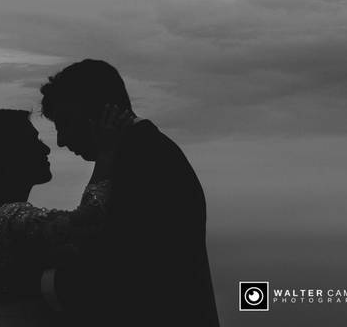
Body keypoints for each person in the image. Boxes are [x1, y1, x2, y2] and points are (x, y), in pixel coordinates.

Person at [37, 59, 220, 326]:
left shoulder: (143, 160)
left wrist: (42, 281)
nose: (61, 140)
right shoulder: (141, 152)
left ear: (96, 114)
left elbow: (121, 271)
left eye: (65, 123)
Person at [0, 107, 131, 327]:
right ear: (8, 153)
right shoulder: (6, 219)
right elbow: (89, 221)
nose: (46, 148)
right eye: (34, 140)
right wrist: (106, 154)